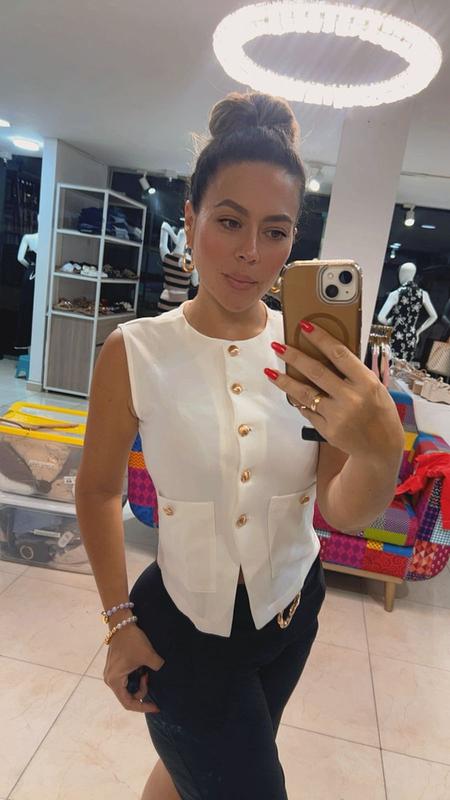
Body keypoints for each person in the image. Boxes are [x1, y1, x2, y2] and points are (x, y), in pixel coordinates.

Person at [75, 91, 404, 800]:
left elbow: (342, 510)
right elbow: (97, 489)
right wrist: (117, 622)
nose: (252, 252)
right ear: (190, 218)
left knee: (194, 775)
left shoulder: (312, 353)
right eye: (229, 221)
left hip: (292, 614)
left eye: (275, 231)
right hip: (185, 637)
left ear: (293, 240)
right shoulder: (134, 351)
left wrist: (383, 452)